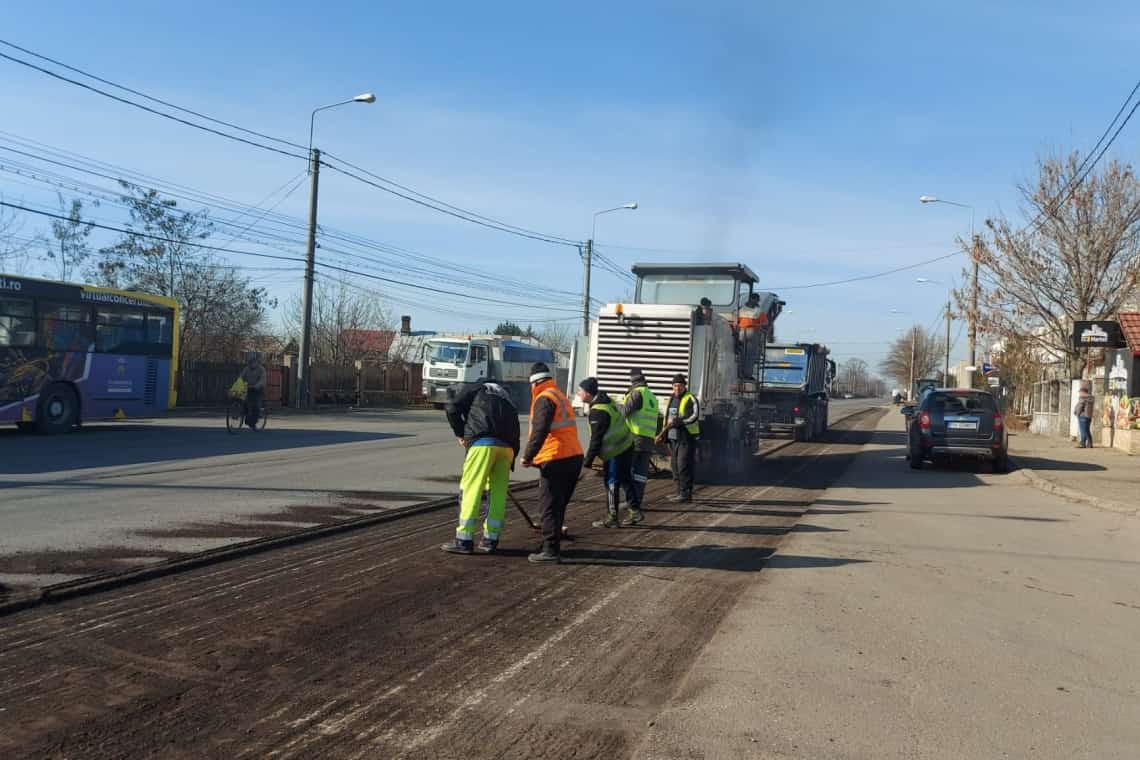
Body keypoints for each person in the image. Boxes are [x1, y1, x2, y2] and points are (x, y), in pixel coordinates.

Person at [440, 379, 521, 555]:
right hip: (508, 448)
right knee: (497, 493)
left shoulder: (475, 388)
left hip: (483, 443)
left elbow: (452, 407)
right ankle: (490, 540)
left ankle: (464, 539)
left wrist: (461, 434)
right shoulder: (507, 396)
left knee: (471, 489)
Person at [522, 362, 584, 564]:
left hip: (556, 458)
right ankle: (552, 544)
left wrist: (528, 456)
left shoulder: (544, 398)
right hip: (573, 456)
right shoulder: (560, 396)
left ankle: (550, 550)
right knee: (558, 505)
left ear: (535, 382)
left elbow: (540, 429)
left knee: (548, 506)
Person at [578, 376, 641, 529]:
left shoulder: (598, 412)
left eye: (580, 391)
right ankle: (635, 511)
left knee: (612, 483)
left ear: (588, 393)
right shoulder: (608, 402)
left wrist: (587, 462)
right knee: (626, 479)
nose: (578, 394)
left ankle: (613, 517)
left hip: (615, 451)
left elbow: (596, 440)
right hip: (626, 445)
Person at [620, 368, 660, 511]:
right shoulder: (652, 396)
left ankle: (631, 502)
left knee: (626, 471)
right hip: (648, 440)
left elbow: (623, 413)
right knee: (641, 474)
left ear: (632, 381)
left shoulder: (636, 394)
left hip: (634, 438)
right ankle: (637, 501)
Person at [659, 374, 700, 503]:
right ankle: (679, 492)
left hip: (686, 438)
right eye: (675, 385)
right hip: (673, 439)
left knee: (683, 465)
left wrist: (679, 422)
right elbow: (667, 419)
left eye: (680, 385)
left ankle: (686, 494)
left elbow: (694, 415)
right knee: (675, 466)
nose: (677, 388)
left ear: (684, 386)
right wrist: (663, 435)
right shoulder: (671, 399)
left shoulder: (690, 398)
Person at [737, 293, 764, 380]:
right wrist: (758, 325)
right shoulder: (758, 311)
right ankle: (747, 375)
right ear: (756, 300)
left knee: (741, 353)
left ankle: (739, 373)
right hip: (752, 332)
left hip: (741, 332)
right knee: (750, 355)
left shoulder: (742, 309)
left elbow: (736, 321)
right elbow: (765, 322)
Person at [238, 352, 267, 429]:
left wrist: (256, 386)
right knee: (244, 401)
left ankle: (253, 422)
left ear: (257, 362)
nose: (251, 363)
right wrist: (237, 385)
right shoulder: (246, 369)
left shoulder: (261, 369)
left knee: (255, 405)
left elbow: (262, 380)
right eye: (249, 362)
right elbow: (241, 377)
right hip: (248, 388)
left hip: (258, 389)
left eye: (252, 361)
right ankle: (245, 415)